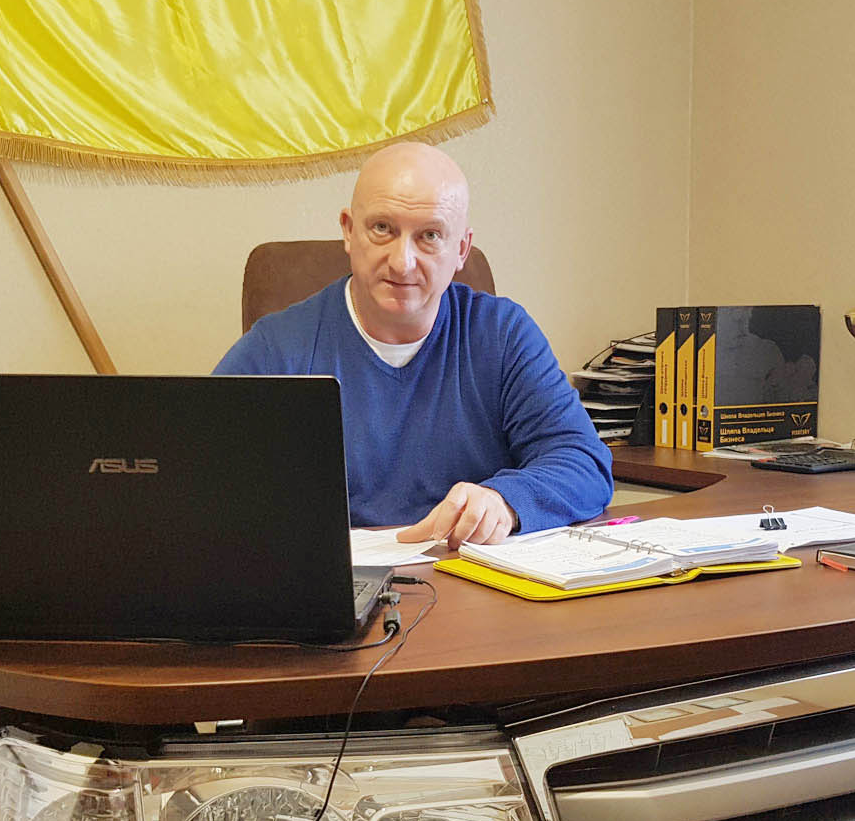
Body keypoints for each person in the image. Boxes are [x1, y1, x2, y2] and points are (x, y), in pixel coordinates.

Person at [213, 142, 613, 549]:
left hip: (465, 574)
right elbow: (202, 476)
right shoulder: (276, 348)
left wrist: (504, 501)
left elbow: (583, 462)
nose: (402, 262)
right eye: (382, 228)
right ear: (348, 231)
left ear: (461, 249)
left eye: (430, 236)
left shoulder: (503, 334)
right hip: (334, 580)